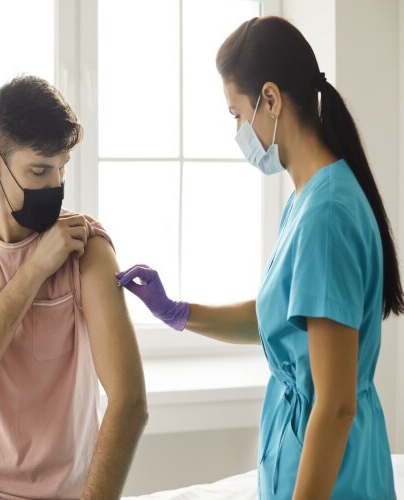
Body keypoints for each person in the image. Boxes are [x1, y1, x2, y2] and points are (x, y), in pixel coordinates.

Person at [117, 16, 403, 499]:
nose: (237, 130)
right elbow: (281, 320)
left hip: (338, 479)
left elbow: (334, 406)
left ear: (270, 99)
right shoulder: (306, 199)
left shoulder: (326, 215)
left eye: (236, 113)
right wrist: (179, 313)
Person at [0, 75, 148, 500]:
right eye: (40, 169)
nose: (55, 186)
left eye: (62, 167)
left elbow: (130, 401)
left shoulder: (88, 247)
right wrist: (35, 270)